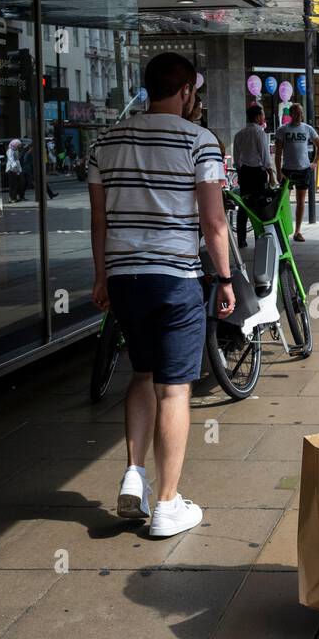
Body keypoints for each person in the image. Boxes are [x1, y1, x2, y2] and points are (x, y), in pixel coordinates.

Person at [87, 52, 233, 538]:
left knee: (142, 373)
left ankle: (135, 472)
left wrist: (101, 276)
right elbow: (213, 221)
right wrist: (227, 278)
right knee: (174, 388)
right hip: (174, 278)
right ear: (188, 91)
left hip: (125, 277)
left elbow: (99, 220)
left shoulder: (106, 142)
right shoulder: (200, 141)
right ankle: (167, 505)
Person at [274, 103, 319, 243]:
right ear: (291, 114)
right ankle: (284, 229)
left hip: (303, 169)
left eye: (300, 113)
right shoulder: (282, 130)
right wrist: (278, 171)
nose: (299, 115)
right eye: (296, 113)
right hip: (287, 170)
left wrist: (315, 162)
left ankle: (298, 231)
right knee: (283, 202)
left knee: (301, 201)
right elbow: (278, 153)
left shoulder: (308, 129)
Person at [232, 104, 277, 248]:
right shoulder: (259, 133)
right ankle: (260, 236)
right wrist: (270, 172)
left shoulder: (239, 134)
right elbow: (264, 155)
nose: (264, 117)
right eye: (263, 115)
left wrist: (240, 171)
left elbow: (236, 157)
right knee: (260, 205)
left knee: (244, 205)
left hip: (244, 172)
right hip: (258, 173)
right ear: (258, 117)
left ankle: (241, 239)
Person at [5, 138, 24, 203]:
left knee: (17, 184)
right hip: (11, 170)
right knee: (13, 185)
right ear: (15, 145)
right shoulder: (10, 150)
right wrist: (15, 167)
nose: (19, 147)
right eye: (18, 145)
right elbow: (11, 159)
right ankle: (12, 198)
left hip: (16, 170)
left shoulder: (15, 150)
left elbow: (17, 160)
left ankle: (14, 197)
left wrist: (19, 170)